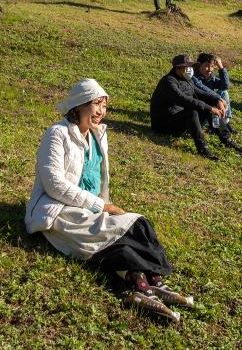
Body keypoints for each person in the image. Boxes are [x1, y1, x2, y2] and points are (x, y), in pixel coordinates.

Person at [25, 79, 194, 323]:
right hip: (58, 211)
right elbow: (54, 184)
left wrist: (102, 207)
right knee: (130, 229)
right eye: (96, 104)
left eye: (104, 106)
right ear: (79, 105)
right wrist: (101, 206)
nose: (101, 112)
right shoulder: (57, 134)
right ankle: (145, 284)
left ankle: (145, 284)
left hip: (88, 209)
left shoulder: (98, 135)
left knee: (129, 232)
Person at [150, 54, 242, 159]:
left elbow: (199, 93)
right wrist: (210, 108)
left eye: (190, 66)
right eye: (186, 67)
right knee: (193, 111)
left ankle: (226, 139)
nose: (190, 69)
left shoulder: (186, 79)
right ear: (178, 68)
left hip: (180, 120)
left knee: (208, 108)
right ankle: (203, 148)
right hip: (164, 124)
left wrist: (217, 100)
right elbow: (183, 99)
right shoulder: (168, 82)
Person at [191, 53, 235, 132]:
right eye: (207, 66)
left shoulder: (210, 77)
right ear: (199, 65)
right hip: (201, 114)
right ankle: (216, 125)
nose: (210, 69)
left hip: (213, 113)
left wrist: (221, 67)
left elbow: (225, 86)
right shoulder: (193, 76)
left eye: (212, 66)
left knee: (223, 91)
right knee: (213, 97)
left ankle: (225, 122)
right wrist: (219, 99)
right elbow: (203, 89)